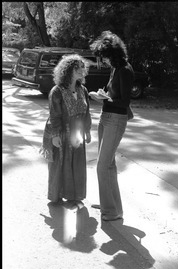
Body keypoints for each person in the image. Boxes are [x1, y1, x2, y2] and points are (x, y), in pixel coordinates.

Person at [90, 31, 134, 221]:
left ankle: (111, 211)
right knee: (108, 165)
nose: (103, 61)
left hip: (116, 119)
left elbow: (124, 102)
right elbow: (112, 93)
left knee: (102, 166)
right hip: (106, 116)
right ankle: (109, 203)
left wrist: (105, 99)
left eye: (105, 57)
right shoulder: (115, 68)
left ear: (113, 54)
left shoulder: (125, 69)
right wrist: (103, 94)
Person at [39, 54, 91, 209]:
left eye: (83, 67)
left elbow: (87, 113)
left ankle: (75, 196)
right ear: (68, 70)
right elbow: (54, 115)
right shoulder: (57, 91)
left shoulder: (83, 90)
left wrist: (87, 131)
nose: (82, 70)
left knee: (77, 164)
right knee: (60, 164)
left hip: (77, 133)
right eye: (78, 68)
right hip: (61, 131)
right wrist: (55, 135)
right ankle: (57, 195)